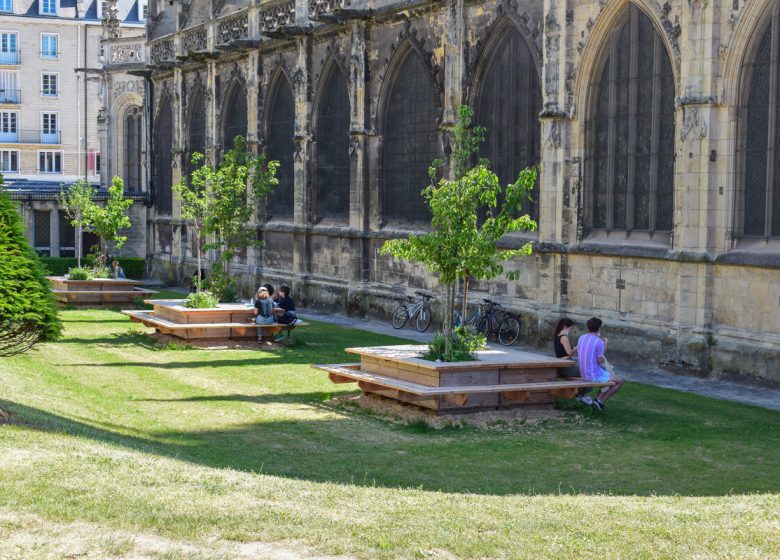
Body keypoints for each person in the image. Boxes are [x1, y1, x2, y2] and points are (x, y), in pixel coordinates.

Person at [577, 317, 624, 410]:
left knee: (610, 375)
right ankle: (600, 401)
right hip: (593, 374)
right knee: (620, 381)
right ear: (598, 328)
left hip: (583, 372)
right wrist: (605, 345)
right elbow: (600, 361)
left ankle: (598, 400)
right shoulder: (599, 342)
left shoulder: (581, 337)